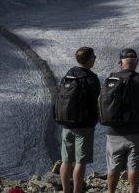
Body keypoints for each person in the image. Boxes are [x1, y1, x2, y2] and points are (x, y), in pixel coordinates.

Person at [103, 48, 139, 193]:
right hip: (138, 132)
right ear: (136, 62)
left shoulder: (110, 80)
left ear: (120, 63)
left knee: (113, 166)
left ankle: (111, 191)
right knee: (134, 166)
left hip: (114, 132)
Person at [56, 46, 100, 193]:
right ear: (88, 59)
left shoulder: (68, 75)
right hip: (84, 125)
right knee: (80, 161)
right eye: (93, 56)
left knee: (66, 160)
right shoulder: (91, 78)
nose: (95, 58)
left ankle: (65, 190)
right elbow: (96, 101)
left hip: (66, 124)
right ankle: (77, 191)